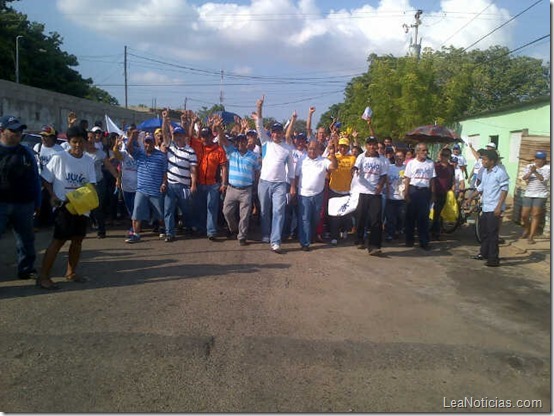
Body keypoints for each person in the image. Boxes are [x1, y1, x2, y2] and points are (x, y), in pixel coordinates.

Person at [37, 126, 97, 289]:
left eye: (81, 142)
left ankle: (71, 273)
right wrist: (53, 196)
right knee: (58, 241)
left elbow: (91, 183)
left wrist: (85, 199)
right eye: (74, 142)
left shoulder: (88, 161)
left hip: (82, 207)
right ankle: (43, 276)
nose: (78, 145)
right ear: (69, 142)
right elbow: (46, 179)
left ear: (85, 142)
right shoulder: (59, 158)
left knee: (78, 240)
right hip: (63, 207)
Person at [0, 115, 42, 281]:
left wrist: (37, 202)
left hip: (24, 204)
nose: (18, 133)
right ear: (2, 131)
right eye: (13, 130)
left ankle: (26, 269)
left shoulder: (26, 153)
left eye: (20, 130)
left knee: (26, 239)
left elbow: (35, 178)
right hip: (1, 204)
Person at [255, 95, 295, 253]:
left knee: (279, 211)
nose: (277, 134)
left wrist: (292, 187)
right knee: (265, 210)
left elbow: (291, 170)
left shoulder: (287, 148)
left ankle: (275, 240)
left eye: (279, 132)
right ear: (271, 133)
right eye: (274, 132)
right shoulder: (265, 142)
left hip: (280, 185)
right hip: (264, 183)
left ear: (282, 133)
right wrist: (259, 107)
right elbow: (259, 125)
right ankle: (265, 234)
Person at [188, 115, 228, 240]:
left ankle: (211, 231)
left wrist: (224, 183)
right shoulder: (198, 145)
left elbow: (224, 167)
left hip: (213, 184)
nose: (205, 138)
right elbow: (188, 138)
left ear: (212, 136)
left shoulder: (219, 149)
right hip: (199, 183)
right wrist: (192, 122)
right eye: (203, 136)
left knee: (212, 208)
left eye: (207, 136)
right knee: (200, 207)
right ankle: (201, 228)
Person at [125, 128, 168, 243]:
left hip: (155, 190)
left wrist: (164, 183)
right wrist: (132, 137)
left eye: (150, 142)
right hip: (141, 189)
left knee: (160, 213)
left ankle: (162, 228)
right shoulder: (139, 153)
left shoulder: (161, 156)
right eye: (146, 142)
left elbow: (164, 172)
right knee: (137, 212)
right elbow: (128, 148)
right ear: (143, 143)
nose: (148, 144)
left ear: (154, 143)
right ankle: (136, 234)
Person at [219, 129, 260, 246]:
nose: (241, 143)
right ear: (236, 143)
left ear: (246, 142)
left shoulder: (253, 156)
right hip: (231, 189)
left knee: (245, 215)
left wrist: (255, 185)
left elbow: (257, 171)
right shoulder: (232, 152)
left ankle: (242, 236)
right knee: (226, 212)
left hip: (246, 190)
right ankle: (234, 229)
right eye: (239, 141)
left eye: (243, 141)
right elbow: (223, 141)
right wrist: (218, 129)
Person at [294, 140, 337, 251]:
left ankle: (311, 236)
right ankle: (305, 242)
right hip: (303, 194)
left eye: (314, 149)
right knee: (305, 218)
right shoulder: (302, 159)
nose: (312, 151)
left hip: (318, 195)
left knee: (316, 218)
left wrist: (332, 154)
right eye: (310, 149)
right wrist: (294, 188)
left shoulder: (324, 160)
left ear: (319, 150)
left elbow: (333, 167)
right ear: (307, 149)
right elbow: (296, 176)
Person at [161, 113, 197, 243]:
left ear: (184, 136)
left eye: (179, 135)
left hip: (184, 185)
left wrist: (193, 185)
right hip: (171, 184)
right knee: (168, 210)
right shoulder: (170, 146)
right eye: (175, 135)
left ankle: (188, 226)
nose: (177, 137)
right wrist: (165, 120)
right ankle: (169, 233)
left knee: (186, 209)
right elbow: (165, 134)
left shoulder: (190, 151)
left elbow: (193, 170)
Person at [470, 150, 509, 267]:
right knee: (484, 232)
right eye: (482, 159)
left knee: (492, 234)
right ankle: (483, 253)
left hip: (494, 208)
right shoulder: (485, 172)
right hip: (486, 206)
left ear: (492, 161)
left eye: (485, 159)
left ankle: (493, 259)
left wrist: (498, 207)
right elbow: (480, 188)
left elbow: (504, 190)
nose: (483, 161)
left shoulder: (500, 172)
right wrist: (470, 198)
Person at [351, 137, 389, 255]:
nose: (372, 147)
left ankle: (374, 246)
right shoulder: (361, 157)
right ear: (366, 146)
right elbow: (356, 166)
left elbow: (383, 176)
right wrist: (354, 170)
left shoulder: (383, 160)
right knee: (360, 218)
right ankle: (359, 239)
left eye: (374, 145)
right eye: (369, 145)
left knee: (376, 220)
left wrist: (380, 186)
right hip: (362, 191)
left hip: (375, 193)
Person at [85, 129, 118, 238]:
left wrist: (117, 178)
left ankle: (101, 230)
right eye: (88, 137)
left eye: (91, 137)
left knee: (97, 207)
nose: (89, 140)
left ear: (95, 139)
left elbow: (109, 166)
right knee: (85, 207)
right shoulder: (81, 153)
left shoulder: (100, 153)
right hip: (84, 185)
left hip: (98, 183)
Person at [403, 142, 436, 250]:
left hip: (424, 192)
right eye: (423, 150)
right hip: (413, 190)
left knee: (423, 218)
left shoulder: (430, 163)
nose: (425, 152)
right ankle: (409, 240)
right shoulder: (411, 163)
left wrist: (433, 194)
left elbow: (432, 179)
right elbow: (407, 179)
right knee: (410, 217)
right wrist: (406, 193)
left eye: (426, 150)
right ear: (417, 151)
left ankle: (424, 241)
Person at [328, 137, 357, 245]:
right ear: (338, 147)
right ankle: (334, 236)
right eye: (341, 146)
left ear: (348, 147)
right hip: (334, 189)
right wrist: (332, 152)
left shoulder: (352, 158)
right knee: (334, 215)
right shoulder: (333, 156)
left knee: (346, 215)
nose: (343, 148)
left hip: (347, 190)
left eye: (345, 146)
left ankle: (344, 230)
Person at [33, 124, 63, 227]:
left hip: (54, 181)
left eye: (47, 136)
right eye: (42, 136)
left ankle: (52, 222)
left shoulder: (59, 150)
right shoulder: (38, 147)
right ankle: (37, 223)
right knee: (39, 202)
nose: (44, 138)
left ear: (53, 137)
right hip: (40, 180)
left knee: (53, 202)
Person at [520, 150, 550, 244]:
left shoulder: (548, 168)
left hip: (541, 194)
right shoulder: (529, 166)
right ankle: (527, 228)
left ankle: (531, 236)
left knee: (535, 215)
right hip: (529, 193)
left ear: (544, 160)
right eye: (537, 158)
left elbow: (543, 180)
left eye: (540, 159)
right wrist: (530, 172)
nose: (538, 161)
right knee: (524, 215)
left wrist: (535, 172)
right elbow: (524, 178)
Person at [430, 147, 454, 240]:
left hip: (445, 193)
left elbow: (452, 179)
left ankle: (435, 231)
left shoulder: (451, 167)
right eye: (443, 155)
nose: (444, 157)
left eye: (446, 155)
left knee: (440, 213)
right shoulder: (435, 166)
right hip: (435, 191)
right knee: (435, 213)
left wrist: (453, 188)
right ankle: (435, 232)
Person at [384, 150, 406, 241]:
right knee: (390, 217)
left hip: (402, 197)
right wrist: (388, 194)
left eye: (401, 156)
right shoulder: (390, 167)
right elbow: (386, 181)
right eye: (397, 156)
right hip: (391, 197)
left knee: (401, 216)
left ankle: (398, 230)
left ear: (404, 158)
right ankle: (390, 234)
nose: (399, 158)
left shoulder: (407, 168)